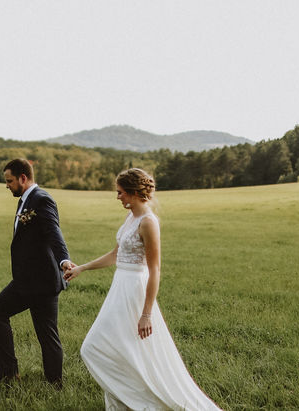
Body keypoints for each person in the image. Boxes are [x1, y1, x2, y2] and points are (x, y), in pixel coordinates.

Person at [63, 168, 221, 410]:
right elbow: (116, 255)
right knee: (106, 348)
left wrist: (146, 313)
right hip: (120, 288)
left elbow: (155, 269)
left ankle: (144, 403)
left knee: (93, 348)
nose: (118, 197)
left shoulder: (148, 222)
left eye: (121, 192)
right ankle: (123, 402)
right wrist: (82, 268)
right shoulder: (131, 217)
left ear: (134, 193)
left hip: (135, 291)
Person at [0, 158, 74, 388]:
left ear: (23, 178)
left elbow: (54, 233)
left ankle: (10, 375)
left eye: (10, 181)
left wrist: (64, 260)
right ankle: (54, 384)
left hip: (35, 281)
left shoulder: (41, 200)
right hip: (39, 280)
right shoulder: (26, 199)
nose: (7, 185)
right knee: (47, 335)